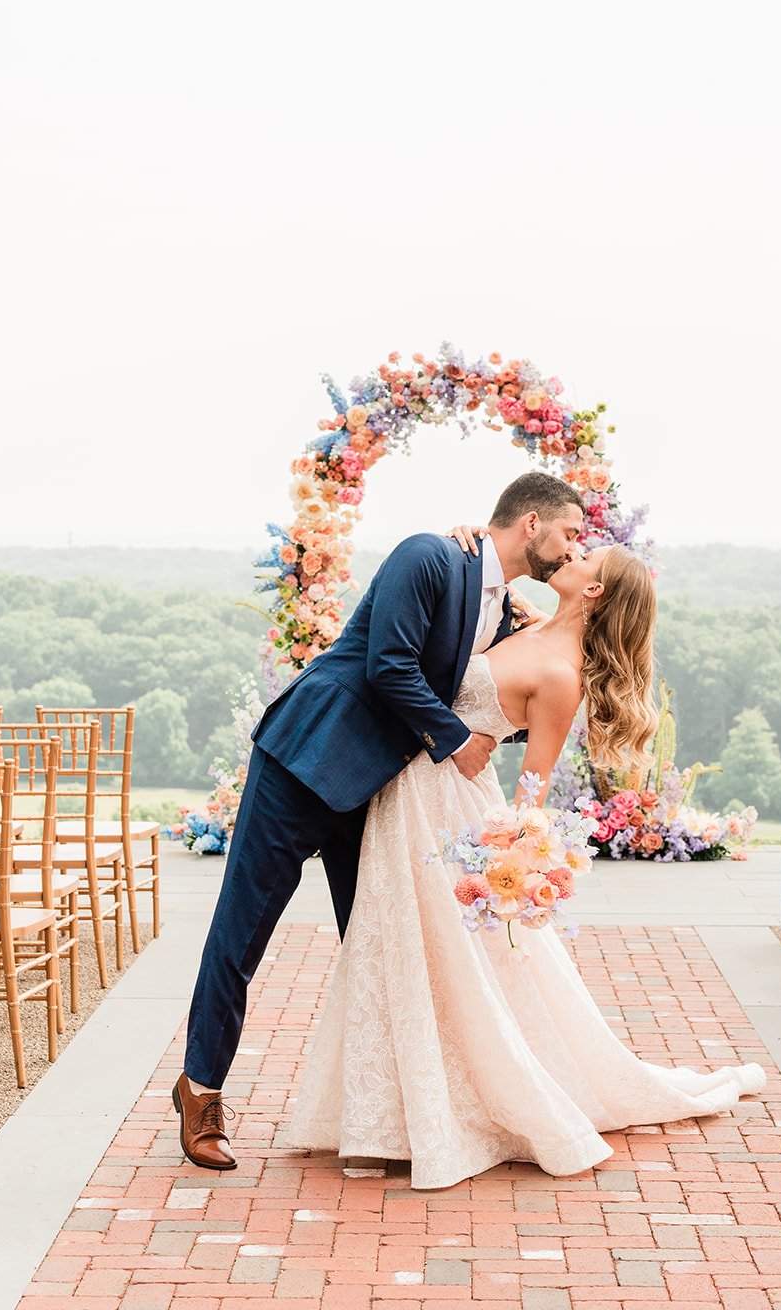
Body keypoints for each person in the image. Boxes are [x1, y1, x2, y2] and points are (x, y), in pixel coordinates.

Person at [283, 536, 766, 1189]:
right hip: (409, 789)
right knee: (392, 943)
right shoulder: (525, 621)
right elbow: (479, 578)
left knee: (439, 956)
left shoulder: (562, 675)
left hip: (451, 810)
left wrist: (511, 859)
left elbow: (532, 788)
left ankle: (441, 1111)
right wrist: (467, 536)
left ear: (594, 589)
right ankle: (382, 1115)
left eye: (586, 558)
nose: (572, 554)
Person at [173, 471, 585, 1170]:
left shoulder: (506, 610)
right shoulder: (428, 555)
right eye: (571, 532)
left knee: (379, 944)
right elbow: (389, 664)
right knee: (241, 933)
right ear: (532, 523)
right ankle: (201, 1090)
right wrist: (457, 744)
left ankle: (393, 1110)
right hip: (307, 761)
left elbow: (498, 689)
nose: (577, 546)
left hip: (381, 792)